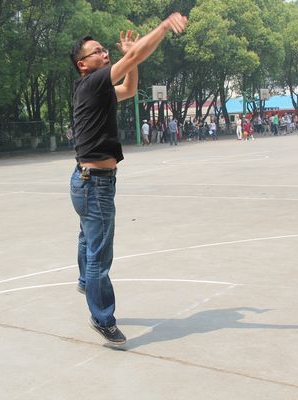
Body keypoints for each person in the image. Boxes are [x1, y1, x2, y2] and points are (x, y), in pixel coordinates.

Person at [69, 13, 188, 345]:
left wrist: (130, 60)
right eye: (97, 51)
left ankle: (85, 281)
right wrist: (162, 27)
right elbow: (134, 56)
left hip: (86, 181)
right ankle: (101, 318)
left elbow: (130, 89)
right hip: (95, 183)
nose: (104, 53)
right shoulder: (92, 83)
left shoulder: (98, 90)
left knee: (88, 239)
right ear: (82, 64)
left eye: (104, 49)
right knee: (100, 256)